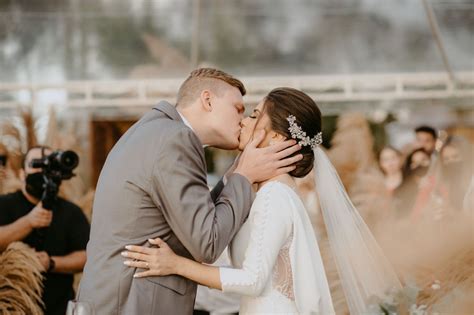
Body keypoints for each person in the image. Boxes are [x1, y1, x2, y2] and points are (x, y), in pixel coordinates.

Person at [122, 87, 402, 314]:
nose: (244, 121)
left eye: (255, 115)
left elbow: (252, 280)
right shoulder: (270, 194)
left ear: (276, 137)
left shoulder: (275, 197)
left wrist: (174, 264)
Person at [74, 69, 302, 314]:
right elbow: (208, 243)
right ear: (207, 100)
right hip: (134, 303)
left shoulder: (153, 130)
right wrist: (243, 176)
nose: (243, 119)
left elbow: (192, 217)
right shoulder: (177, 139)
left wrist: (233, 176)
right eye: (238, 108)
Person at [0, 146, 90, 315]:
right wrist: (28, 222)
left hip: (59, 308)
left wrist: (51, 263)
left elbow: (87, 255)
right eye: (36, 164)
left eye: (50, 165)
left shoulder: (71, 212)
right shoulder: (4, 205)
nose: (42, 171)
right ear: (21, 174)